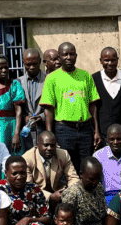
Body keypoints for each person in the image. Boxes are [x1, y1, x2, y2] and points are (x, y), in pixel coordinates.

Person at [41, 42, 101, 173]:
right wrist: (50, 134)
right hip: (64, 130)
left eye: (71, 54)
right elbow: (48, 110)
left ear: (76, 56)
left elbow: (92, 105)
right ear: (59, 57)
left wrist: (96, 130)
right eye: (65, 54)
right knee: (67, 168)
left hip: (85, 129)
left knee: (86, 167)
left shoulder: (85, 75)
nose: (68, 57)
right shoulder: (51, 79)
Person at [0, 155, 51, 225]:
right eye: (14, 173)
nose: (19, 177)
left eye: (22, 173)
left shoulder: (33, 189)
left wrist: (29, 219)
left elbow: (47, 218)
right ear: (6, 173)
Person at [23, 131, 78, 205]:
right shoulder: (27, 159)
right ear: (37, 145)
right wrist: (50, 196)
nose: (49, 148)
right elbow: (28, 187)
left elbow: (73, 178)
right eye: (46, 145)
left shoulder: (63, 154)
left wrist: (69, 192)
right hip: (37, 196)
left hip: (58, 193)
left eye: (52, 145)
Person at [0, 54, 25, 154]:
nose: (4, 70)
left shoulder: (14, 85)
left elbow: (18, 111)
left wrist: (16, 134)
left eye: (6, 67)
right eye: (0, 68)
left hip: (10, 128)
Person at [93, 47, 121, 135]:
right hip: (102, 133)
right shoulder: (94, 79)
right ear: (101, 61)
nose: (110, 63)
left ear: (117, 60)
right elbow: (93, 107)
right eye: (106, 60)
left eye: (113, 60)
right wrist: (96, 131)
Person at [18, 48, 46, 151]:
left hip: (44, 129)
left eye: (35, 64)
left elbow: (56, 105)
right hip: (26, 132)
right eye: (28, 64)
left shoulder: (49, 80)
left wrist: (42, 117)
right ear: (23, 62)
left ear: (40, 61)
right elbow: (15, 108)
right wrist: (24, 118)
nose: (31, 67)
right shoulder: (18, 82)